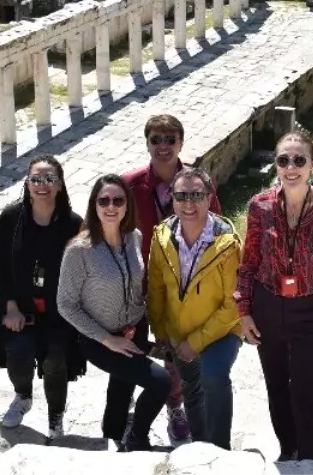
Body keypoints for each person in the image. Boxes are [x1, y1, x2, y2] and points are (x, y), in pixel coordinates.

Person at [235, 130, 313, 462]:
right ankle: (288, 449)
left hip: (309, 310)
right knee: (276, 387)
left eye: (299, 159)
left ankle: (309, 461)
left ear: (312, 163)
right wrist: (244, 310)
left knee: (303, 391)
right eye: (283, 159)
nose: (291, 167)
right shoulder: (260, 206)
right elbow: (249, 262)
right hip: (267, 304)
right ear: (276, 164)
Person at [122, 114, 223, 444]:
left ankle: (178, 405)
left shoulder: (198, 183)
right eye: (156, 139)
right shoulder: (131, 184)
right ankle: (145, 408)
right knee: (142, 350)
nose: (163, 146)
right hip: (143, 286)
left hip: (189, 285)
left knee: (182, 351)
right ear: (147, 143)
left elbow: (218, 227)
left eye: (170, 139)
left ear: (181, 142)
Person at [57, 175, 171, 452]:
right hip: (100, 340)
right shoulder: (79, 251)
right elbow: (66, 304)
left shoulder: (134, 237)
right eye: (103, 200)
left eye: (118, 200)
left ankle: (113, 439)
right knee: (160, 382)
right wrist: (108, 339)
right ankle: (137, 439)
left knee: (122, 389)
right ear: (94, 205)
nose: (111, 206)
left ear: (127, 205)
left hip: (135, 329)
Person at [0, 154, 84, 440]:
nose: (42, 185)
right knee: (18, 351)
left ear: (59, 184)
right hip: (17, 302)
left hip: (58, 308)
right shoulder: (10, 218)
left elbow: (80, 269)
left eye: (49, 179)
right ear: (27, 184)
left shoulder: (72, 222)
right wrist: (10, 306)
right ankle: (23, 396)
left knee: (56, 361)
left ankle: (56, 416)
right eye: (36, 179)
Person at [147, 167, 243, 450]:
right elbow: (156, 288)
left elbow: (233, 304)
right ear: (172, 199)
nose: (189, 203)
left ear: (209, 197)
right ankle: (201, 448)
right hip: (179, 330)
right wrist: (161, 329)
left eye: (197, 195)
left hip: (221, 330)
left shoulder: (227, 243)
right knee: (191, 389)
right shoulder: (162, 237)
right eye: (182, 195)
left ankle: (221, 450)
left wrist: (195, 342)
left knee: (213, 376)